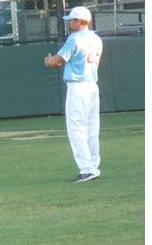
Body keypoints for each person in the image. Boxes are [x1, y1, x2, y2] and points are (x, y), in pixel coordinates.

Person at [44, 6, 103, 183]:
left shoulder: (75, 39)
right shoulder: (97, 38)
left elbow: (57, 61)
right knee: (92, 129)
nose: (70, 22)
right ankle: (93, 165)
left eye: (72, 19)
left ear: (79, 21)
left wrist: (48, 61)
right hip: (92, 85)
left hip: (78, 87)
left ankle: (87, 169)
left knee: (76, 129)